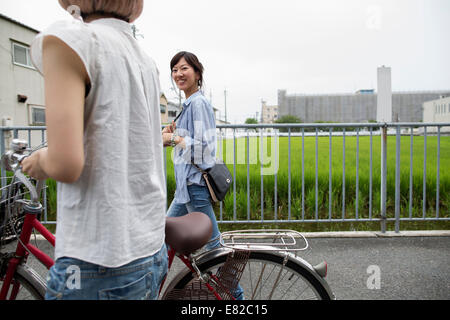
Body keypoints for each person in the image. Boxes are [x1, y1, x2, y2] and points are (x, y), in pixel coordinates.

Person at [21, 0, 168, 300]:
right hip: (150, 251)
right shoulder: (145, 59)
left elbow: (65, 163)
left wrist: (38, 160)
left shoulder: (71, 39)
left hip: (96, 259)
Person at [162, 51, 244, 300]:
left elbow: (205, 147)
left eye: (184, 68)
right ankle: (152, 291)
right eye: (175, 69)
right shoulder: (188, 104)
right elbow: (188, 143)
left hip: (195, 188)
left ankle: (237, 299)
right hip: (185, 190)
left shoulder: (198, 103)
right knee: (162, 240)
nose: (179, 74)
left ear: (197, 73)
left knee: (215, 251)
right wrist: (171, 135)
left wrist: (174, 138)